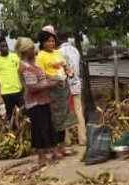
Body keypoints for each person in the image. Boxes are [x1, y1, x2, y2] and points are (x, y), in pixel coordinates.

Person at [15, 37, 58, 167]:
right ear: (25, 51)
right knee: (39, 130)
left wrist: (53, 80)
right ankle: (41, 158)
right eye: (31, 48)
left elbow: (41, 79)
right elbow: (33, 87)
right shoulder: (25, 67)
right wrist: (51, 85)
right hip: (35, 103)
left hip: (42, 101)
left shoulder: (32, 64)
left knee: (45, 128)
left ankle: (45, 156)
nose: (34, 50)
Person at [36, 26, 77, 158]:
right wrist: (52, 79)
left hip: (63, 88)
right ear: (42, 43)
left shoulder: (57, 53)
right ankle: (55, 150)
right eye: (48, 41)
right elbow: (40, 75)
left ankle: (62, 147)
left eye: (53, 41)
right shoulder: (41, 56)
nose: (51, 43)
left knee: (65, 120)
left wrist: (69, 73)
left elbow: (64, 67)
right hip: (52, 90)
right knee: (55, 121)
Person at [57, 29, 86, 146]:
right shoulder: (75, 50)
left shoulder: (58, 52)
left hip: (64, 86)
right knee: (79, 111)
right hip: (76, 84)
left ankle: (66, 140)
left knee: (65, 113)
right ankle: (82, 139)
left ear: (58, 38)